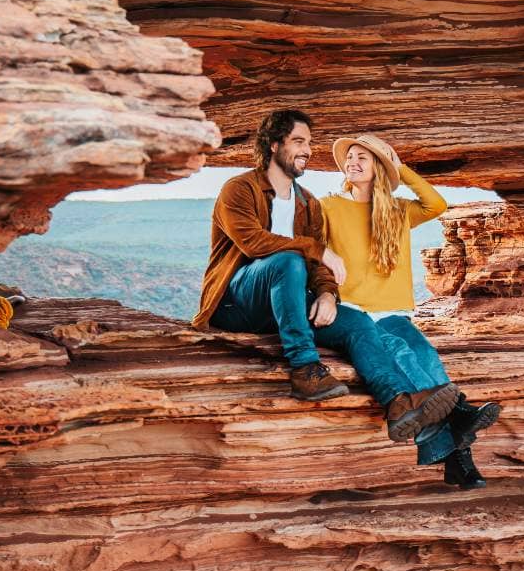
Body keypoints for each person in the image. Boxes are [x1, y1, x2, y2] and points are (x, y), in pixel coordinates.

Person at [193, 110, 459, 440]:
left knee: (359, 323)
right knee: (288, 260)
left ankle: (398, 403)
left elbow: (319, 265)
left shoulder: (307, 203)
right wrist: (317, 251)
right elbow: (252, 241)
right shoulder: (240, 189)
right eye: (298, 142)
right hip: (239, 304)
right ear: (274, 146)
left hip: (291, 303)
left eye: (309, 143)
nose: (307, 150)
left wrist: (327, 294)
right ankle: (305, 368)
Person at [320, 133, 501, 488]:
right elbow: (306, 238)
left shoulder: (398, 210)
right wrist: (324, 257)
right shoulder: (329, 206)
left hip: (392, 309)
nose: (353, 162)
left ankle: (452, 442)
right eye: (350, 157)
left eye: (363, 158)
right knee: (402, 353)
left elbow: (436, 204)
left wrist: (401, 169)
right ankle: (460, 422)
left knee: (424, 354)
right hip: (354, 308)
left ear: (379, 168)